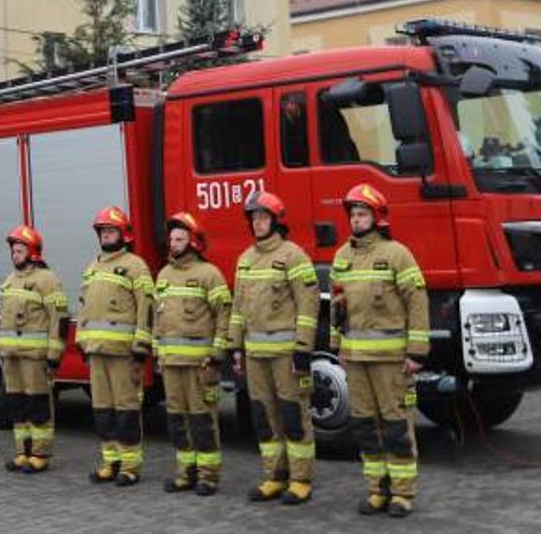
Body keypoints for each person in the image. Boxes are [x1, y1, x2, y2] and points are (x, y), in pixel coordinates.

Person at [330, 184, 430, 518]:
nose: (356, 220)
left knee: (396, 425)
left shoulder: (397, 254)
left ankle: (402, 493)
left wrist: (416, 352)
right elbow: (338, 306)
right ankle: (376, 490)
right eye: (354, 215)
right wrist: (336, 345)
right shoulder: (342, 257)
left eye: (363, 214)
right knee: (364, 427)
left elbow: (416, 301)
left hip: (390, 361)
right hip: (355, 359)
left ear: (377, 217)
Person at [228, 191, 320, 506]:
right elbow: (237, 308)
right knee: (263, 417)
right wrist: (235, 348)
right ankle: (274, 476)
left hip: (286, 355)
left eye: (263, 218)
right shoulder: (245, 260)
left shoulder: (293, 256)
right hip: (255, 355)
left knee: (293, 415)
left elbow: (308, 306)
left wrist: (303, 349)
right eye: (253, 219)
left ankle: (301, 479)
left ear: (277, 220)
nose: (258, 223)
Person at [152, 212, 231, 495]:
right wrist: (157, 353)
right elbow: (156, 319)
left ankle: (208, 476)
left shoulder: (209, 275)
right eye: (172, 239)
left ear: (194, 241)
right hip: (171, 364)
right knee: (177, 420)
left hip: (200, 364)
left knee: (202, 420)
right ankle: (185, 472)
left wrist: (217, 354)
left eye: (180, 239)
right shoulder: (163, 275)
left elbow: (224, 315)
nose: (173, 243)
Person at [77, 206, 154, 487]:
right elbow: (83, 308)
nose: (107, 235)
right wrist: (82, 342)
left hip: (124, 354)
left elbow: (147, 307)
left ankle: (130, 465)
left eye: (112, 230)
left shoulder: (135, 265)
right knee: (103, 410)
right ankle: (110, 462)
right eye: (104, 231)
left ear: (124, 234)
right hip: (97, 352)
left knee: (126, 410)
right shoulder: (92, 267)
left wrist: (141, 346)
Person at [0, 225, 65, 474]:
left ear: (33, 252)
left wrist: (54, 355)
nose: (15, 254)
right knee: (17, 404)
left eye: (20, 250)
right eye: (13, 250)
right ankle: (22, 451)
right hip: (11, 356)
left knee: (37, 405)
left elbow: (58, 319)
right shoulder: (10, 280)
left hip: (35, 358)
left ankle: (40, 452)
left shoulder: (47, 280)